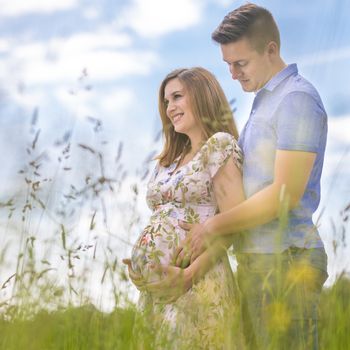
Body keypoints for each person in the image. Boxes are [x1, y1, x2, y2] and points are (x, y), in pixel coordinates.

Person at [171, 3, 328, 350]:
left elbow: (283, 195)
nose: (233, 74)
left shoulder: (296, 99)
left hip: (286, 262)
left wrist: (213, 226)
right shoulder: (264, 101)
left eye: (240, 63)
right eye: (228, 64)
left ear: (271, 50)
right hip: (259, 262)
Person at [123, 67, 245, 349]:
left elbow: (235, 223)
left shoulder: (218, 146)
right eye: (166, 102)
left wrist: (189, 276)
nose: (169, 108)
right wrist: (143, 267)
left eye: (177, 97)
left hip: (198, 283)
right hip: (159, 292)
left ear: (202, 96)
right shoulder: (169, 159)